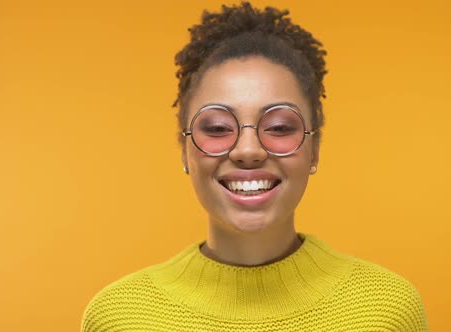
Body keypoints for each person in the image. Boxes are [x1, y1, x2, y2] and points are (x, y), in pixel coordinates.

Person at [81, 2, 429, 331]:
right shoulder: (119, 316)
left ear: (315, 150)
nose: (248, 150)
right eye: (217, 128)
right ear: (185, 151)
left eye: (279, 127)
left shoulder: (386, 311)